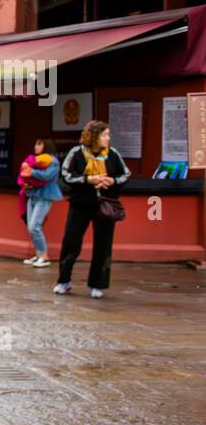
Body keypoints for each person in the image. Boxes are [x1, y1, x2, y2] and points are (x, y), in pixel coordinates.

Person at [54, 120, 128, 298]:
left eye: (108, 135)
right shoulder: (77, 153)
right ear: (94, 136)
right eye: (104, 135)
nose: (108, 138)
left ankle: (97, 284)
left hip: (106, 204)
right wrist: (89, 179)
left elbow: (125, 173)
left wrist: (113, 181)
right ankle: (64, 280)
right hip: (80, 204)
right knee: (71, 241)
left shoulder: (113, 154)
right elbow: (66, 175)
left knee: (103, 243)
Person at [19, 137, 61, 267]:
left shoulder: (53, 161)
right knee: (31, 227)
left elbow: (47, 176)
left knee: (34, 226)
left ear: (46, 146)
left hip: (45, 195)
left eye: (39, 144)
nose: (35, 146)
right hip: (32, 195)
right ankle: (38, 254)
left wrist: (30, 171)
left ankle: (44, 256)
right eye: (35, 144)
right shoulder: (34, 160)